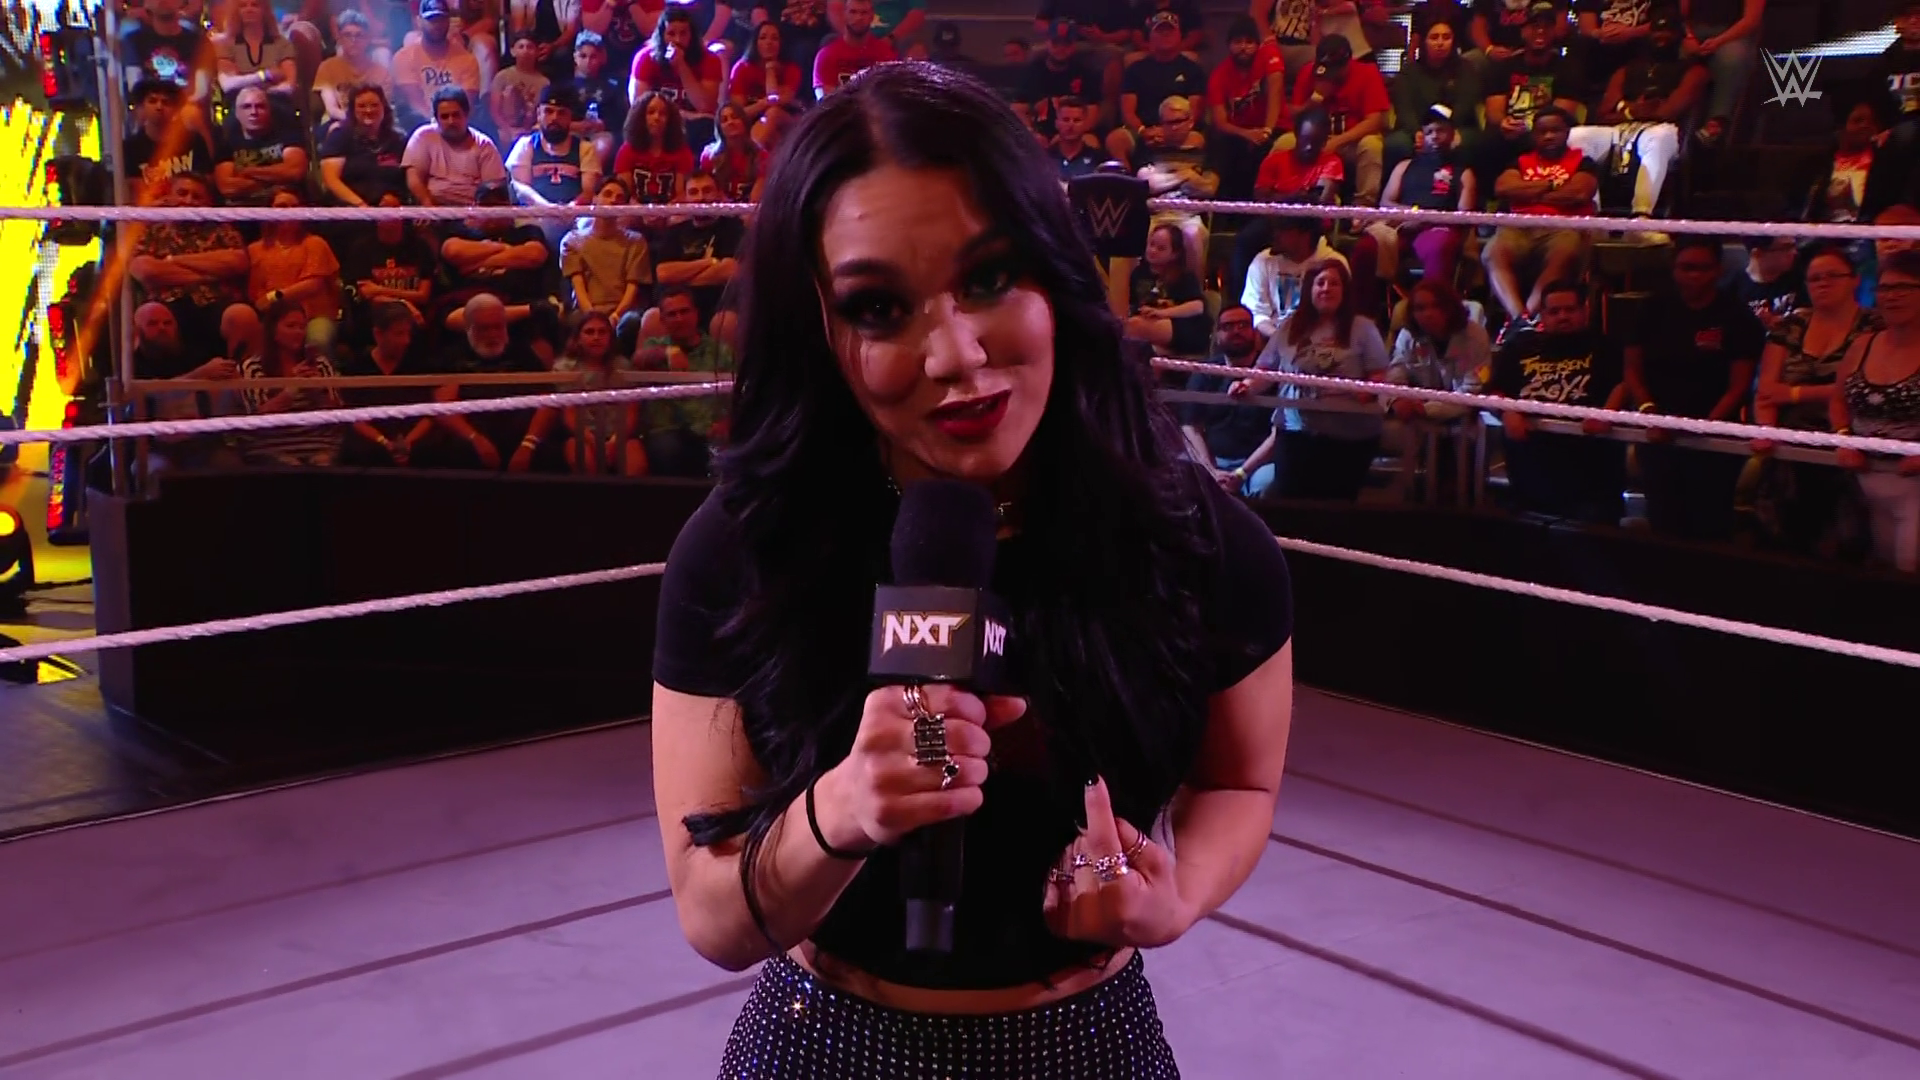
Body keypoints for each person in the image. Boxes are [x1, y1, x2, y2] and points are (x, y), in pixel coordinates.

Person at [650, 63, 1294, 1077]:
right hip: (825, 1041)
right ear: (819, 326)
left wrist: (1178, 894)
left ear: (1054, 274)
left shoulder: (1195, 537)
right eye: (879, 307)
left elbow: (1240, 780)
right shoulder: (745, 548)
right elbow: (711, 915)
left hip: (1088, 1042)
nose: (953, 354)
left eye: (989, 279)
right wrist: (839, 813)